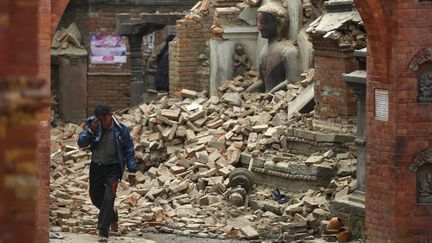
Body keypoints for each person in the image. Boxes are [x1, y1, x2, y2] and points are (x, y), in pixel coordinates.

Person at [77, 104, 137, 242]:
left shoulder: (121, 130)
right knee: (95, 197)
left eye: (104, 119)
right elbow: (81, 143)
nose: (102, 123)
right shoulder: (93, 126)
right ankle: (113, 216)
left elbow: (129, 150)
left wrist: (132, 171)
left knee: (109, 198)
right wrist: (90, 131)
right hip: (97, 167)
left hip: (113, 168)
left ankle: (103, 231)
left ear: (110, 116)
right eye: (99, 119)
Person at [246, 0, 301, 93]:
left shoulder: (288, 51)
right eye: (258, 22)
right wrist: (247, 92)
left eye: (263, 22)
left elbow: (293, 81)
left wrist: (270, 94)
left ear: (279, 24)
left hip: (281, 100)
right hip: (267, 101)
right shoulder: (263, 50)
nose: (259, 27)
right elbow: (262, 81)